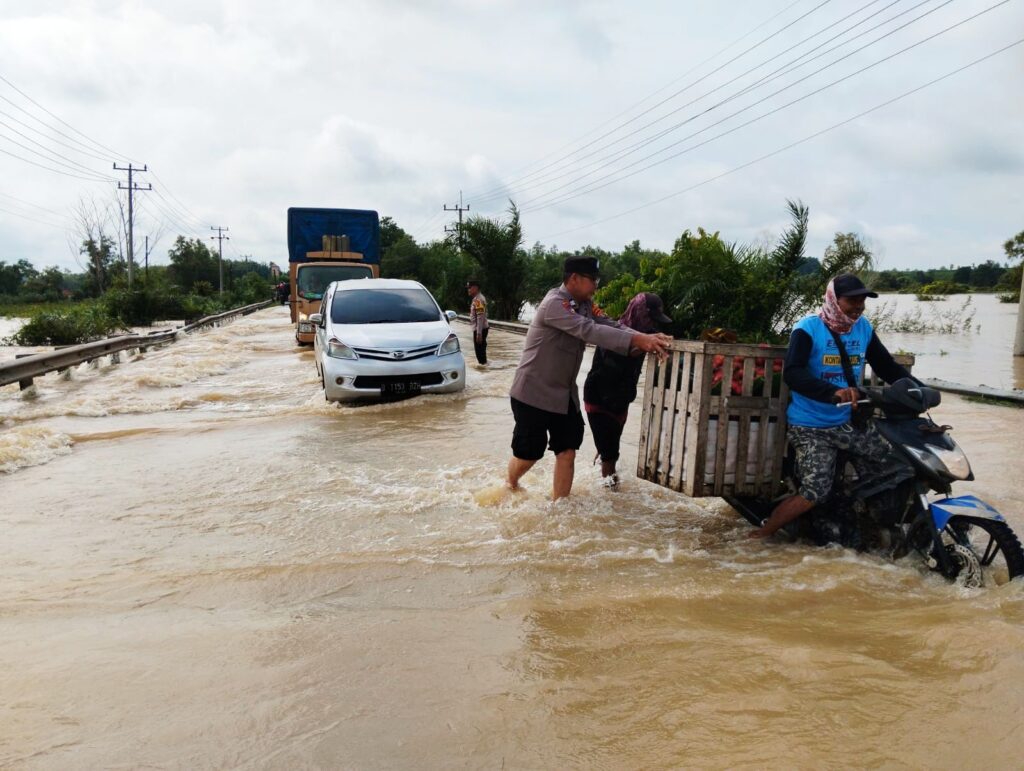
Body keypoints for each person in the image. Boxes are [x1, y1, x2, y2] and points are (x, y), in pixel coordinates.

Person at [749, 273, 917, 538]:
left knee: (895, 467)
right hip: (811, 426)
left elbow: (886, 366)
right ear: (833, 300)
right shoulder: (807, 328)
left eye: (862, 300)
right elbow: (793, 373)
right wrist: (832, 392)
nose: (859, 306)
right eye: (852, 300)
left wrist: (918, 390)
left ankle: (871, 527)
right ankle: (761, 536)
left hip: (849, 422)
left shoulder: (863, 328)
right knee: (815, 492)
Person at [506, 256, 673, 500]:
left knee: (567, 451)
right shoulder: (555, 304)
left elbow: (610, 324)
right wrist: (639, 340)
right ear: (574, 278)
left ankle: (560, 507)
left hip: (564, 395)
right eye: (593, 280)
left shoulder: (585, 304)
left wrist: (645, 337)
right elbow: (589, 330)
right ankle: (510, 484)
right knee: (529, 454)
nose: (596, 285)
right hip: (533, 392)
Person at [583, 292, 672, 490]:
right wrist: (646, 345)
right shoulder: (614, 331)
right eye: (649, 318)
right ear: (640, 313)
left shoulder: (647, 334)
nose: (652, 324)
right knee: (610, 456)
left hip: (621, 400)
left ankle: (603, 485)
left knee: (610, 451)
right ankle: (613, 499)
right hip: (600, 399)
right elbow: (625, 351)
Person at [466, 280, 489, 365]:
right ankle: (485, 368)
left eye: (469, 288)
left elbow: (480, 317)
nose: (468, 290)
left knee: (480, 354)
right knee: (481, 352)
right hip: (480, 329)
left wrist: (479, 333)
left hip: (480, 329)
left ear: (475, 288)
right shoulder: (477, 299)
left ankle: (484, 369)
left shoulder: (478, 300)